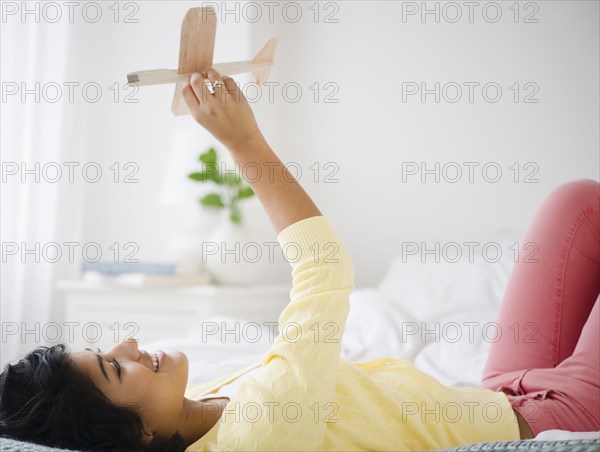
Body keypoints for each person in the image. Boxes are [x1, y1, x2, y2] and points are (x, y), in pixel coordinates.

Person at [0, 68, 598, 452]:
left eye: (106, 349)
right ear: (138, 434)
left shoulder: (195, 403)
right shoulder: (257, 433)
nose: (128, 344)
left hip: (498, 393)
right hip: (556, 419)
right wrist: (243, 143)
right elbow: (325, 270)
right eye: (113, 369)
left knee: (576, 203)